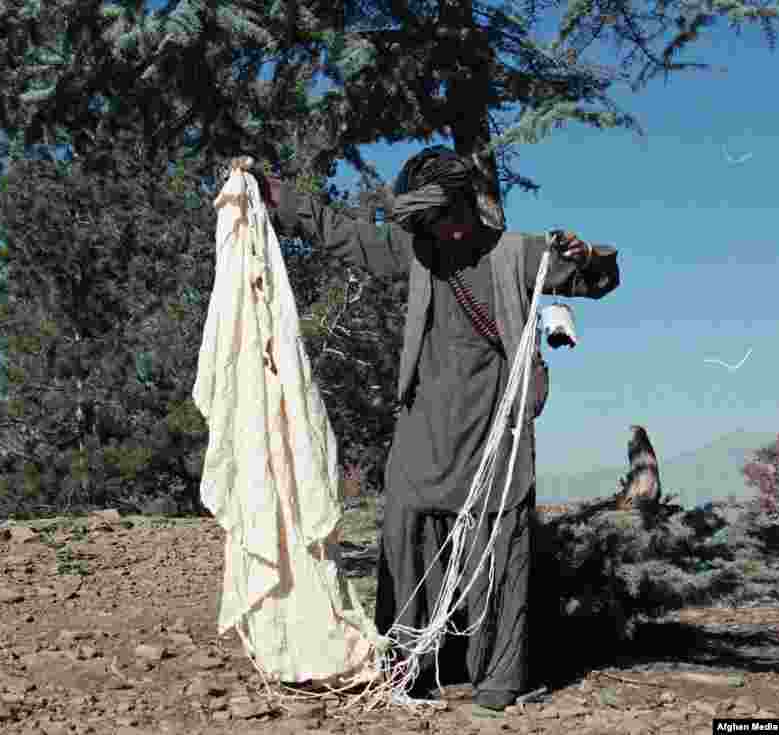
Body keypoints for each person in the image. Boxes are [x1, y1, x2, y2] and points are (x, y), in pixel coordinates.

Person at [260, 146, 620, 712]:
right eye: (425, 223)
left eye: (442, 220)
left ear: (466, 207)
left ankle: (498, 681)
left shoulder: (517, 254)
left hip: (493, 430)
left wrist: (590, 252)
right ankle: (410, 668)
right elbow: (342, 233)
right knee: (406, 540)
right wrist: (275, 194)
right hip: (421, 428)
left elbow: (596, 280)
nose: (436, 233)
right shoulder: (417, 249)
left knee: (498, 546)